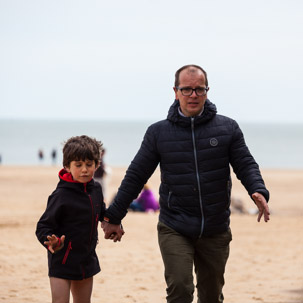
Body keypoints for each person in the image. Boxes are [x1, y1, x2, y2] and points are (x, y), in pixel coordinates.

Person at [101, 64, 270, 303]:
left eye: (199, 89)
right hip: (175, 225)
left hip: (215, 227)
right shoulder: (158, 133)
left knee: (211, 296)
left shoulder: (227, 128)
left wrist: (258, 190)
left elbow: (245, 163)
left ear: (207, 91)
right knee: (180, 289)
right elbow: (136, 175)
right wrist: (114, 216)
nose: (193, 95)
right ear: (175, 91)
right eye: (187, 89)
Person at [36, 135, 124, 303]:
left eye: (89, 164)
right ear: (67, 166)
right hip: (61, 259)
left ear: (97, 165)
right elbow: (43, 226)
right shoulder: (60, 195)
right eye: (78, 165)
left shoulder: (96, 189)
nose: (84, 169)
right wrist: (51, 242)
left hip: (86, 258)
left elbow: (101, 211)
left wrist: (113, 223)